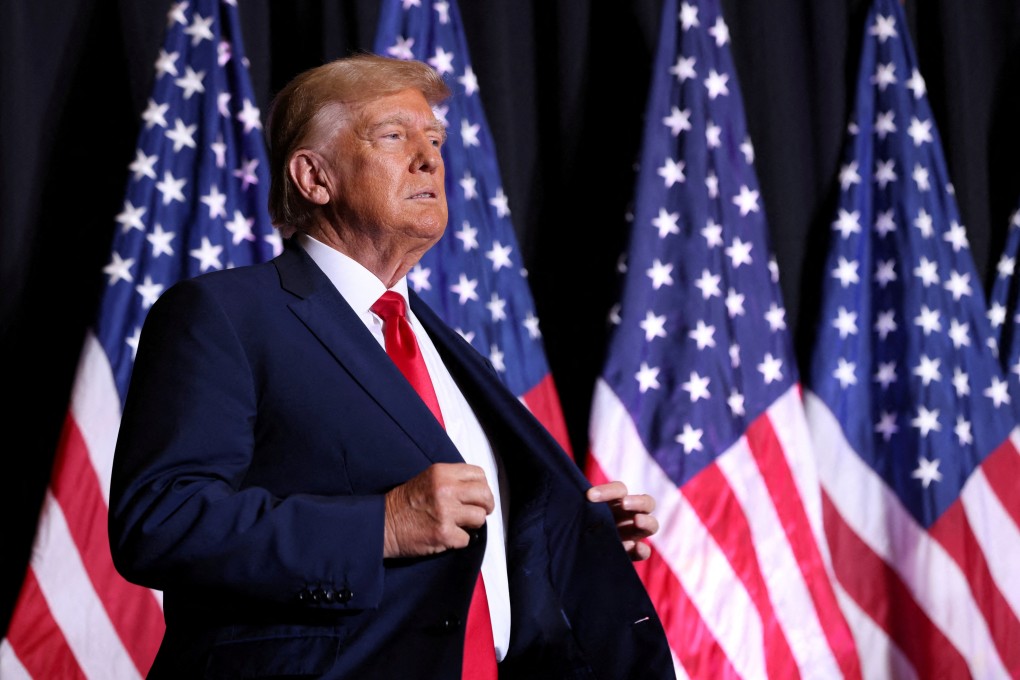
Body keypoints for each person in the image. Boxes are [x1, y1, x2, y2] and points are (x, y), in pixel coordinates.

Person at [109, 53, 675, 679]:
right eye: (393, 135)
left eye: (434, 139)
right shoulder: (225, 314)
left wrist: (566, 537)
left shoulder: (445, 348)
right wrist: (380, 525)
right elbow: (159, 521)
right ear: (313, 176)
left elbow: (465, 548)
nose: (430, 158)